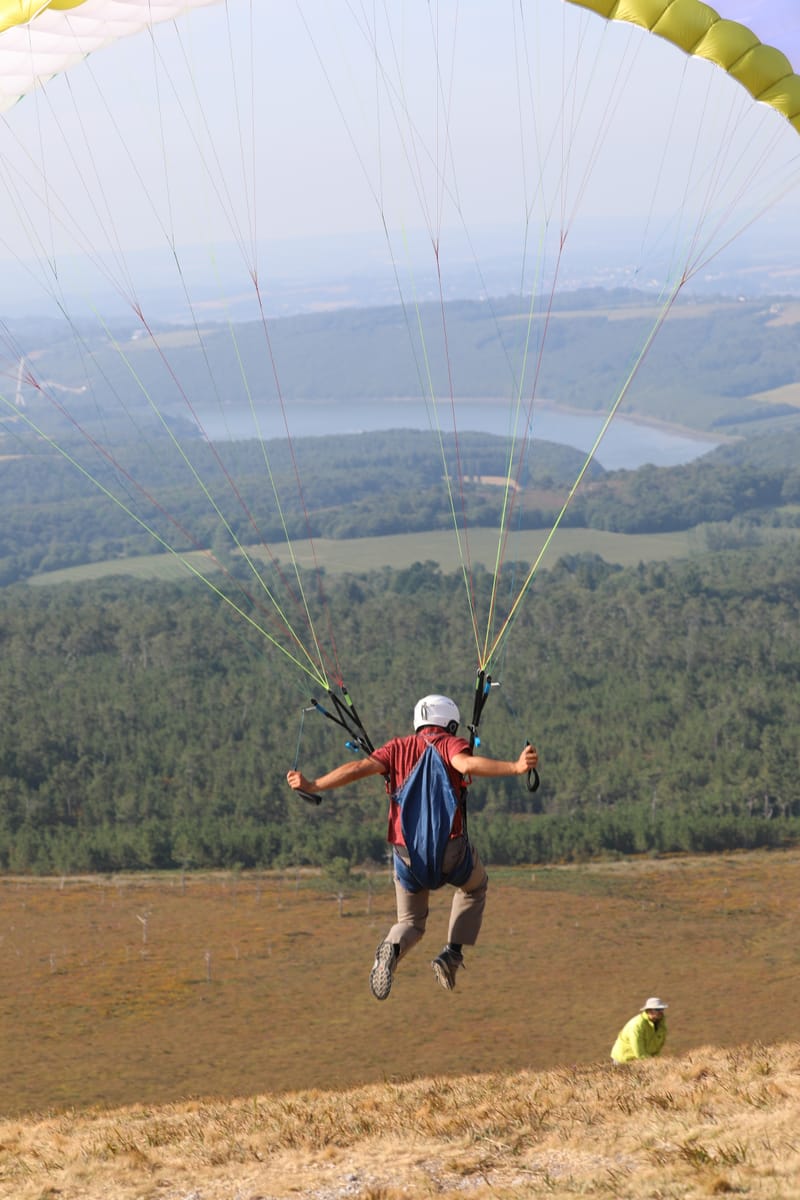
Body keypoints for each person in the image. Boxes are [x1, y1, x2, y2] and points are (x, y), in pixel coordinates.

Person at [287, 693, 538, 1001]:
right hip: (450, 852)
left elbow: (356, 768)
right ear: (449, 723)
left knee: (410, 923)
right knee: (475, 887)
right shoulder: (448, 744)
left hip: (406, 857)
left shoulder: (396, 748)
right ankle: (451, 955)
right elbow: (467, 763)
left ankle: (391, 949)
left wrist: (312, 785)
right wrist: (514, 767)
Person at [610, 997, 668, 1063]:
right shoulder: (637, 1025)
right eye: (657, 1009)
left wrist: (656, 1061)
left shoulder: (662, 1025)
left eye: (662, 1009)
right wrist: (651, 1063)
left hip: (643, 1060)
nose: (661, 1012)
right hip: (624, 1060)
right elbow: (638, 1050)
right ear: (649, 1010)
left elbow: (657, 1047)